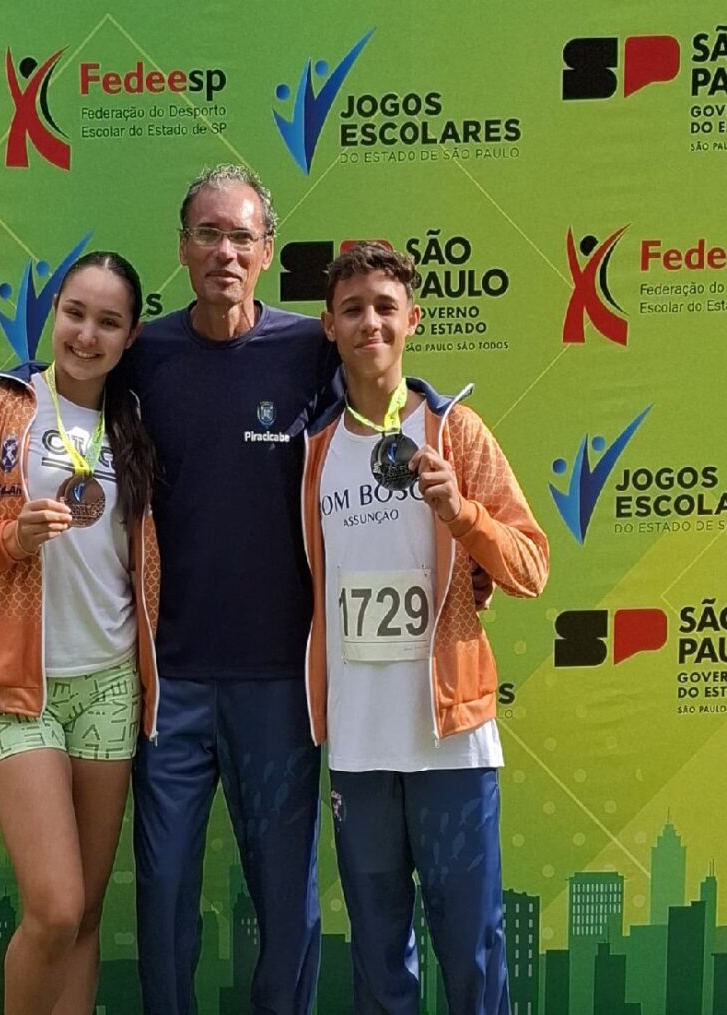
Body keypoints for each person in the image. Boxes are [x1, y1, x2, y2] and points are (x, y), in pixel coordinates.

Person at [301, 242, 550, 1015]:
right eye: (352, 308)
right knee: (379, 959)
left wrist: (461, 512)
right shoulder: (312, 450)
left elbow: (530, 567)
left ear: (412, 319)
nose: (369, 321)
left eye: (384, 306)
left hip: (451, 739)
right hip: (361, 744)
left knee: (471, 951)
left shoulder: (456, 432)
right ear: (329, 326)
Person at [0, 251, 157, 1015]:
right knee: (52, 905)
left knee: (83, 915)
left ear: (129, 335)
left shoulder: (137, 422)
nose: (87, 333)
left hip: (111, 681)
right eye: (76, 312)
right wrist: (7, 540)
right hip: (21, 688)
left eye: (109, 321)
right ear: (54, 313)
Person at [126, 164, 338, 1014]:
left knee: (288, 902)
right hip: (168, 680)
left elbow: (384, 436)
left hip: (281, 683)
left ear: (267, 252)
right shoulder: (142, 356)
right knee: (164, 889)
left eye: (241, 236)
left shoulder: (310, 353)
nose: (224, 250)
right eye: (208, 233)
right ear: (182, 248)